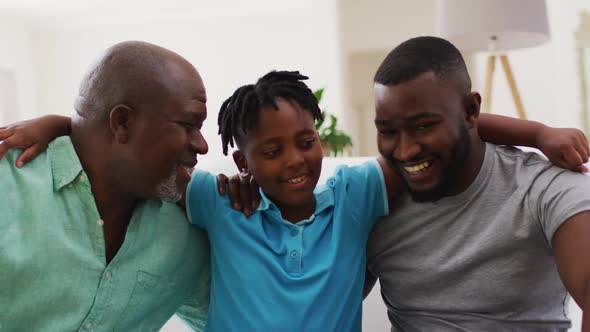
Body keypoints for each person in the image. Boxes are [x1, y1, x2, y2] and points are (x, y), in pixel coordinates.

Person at [3, 69, 588, 332]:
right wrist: (59, 124)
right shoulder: (214, 200)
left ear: (321, 136)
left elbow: (434, 130)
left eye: (305, 143)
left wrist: (537, 135)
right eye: (272, 151)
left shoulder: (356, 194)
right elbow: (112, 147)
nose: (294, 162)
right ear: (242, 163)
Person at [364, 36, 590, 331]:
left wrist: (538, 135)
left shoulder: (544, 188)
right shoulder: (370, 200)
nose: (405, 151)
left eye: (423, 126)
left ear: (471, 110)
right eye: (389, 131)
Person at [0, 41, 210, 331]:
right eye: (188, 125)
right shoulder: (8, 186)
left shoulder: (188, 232)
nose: (203, 145)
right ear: (122, 122)